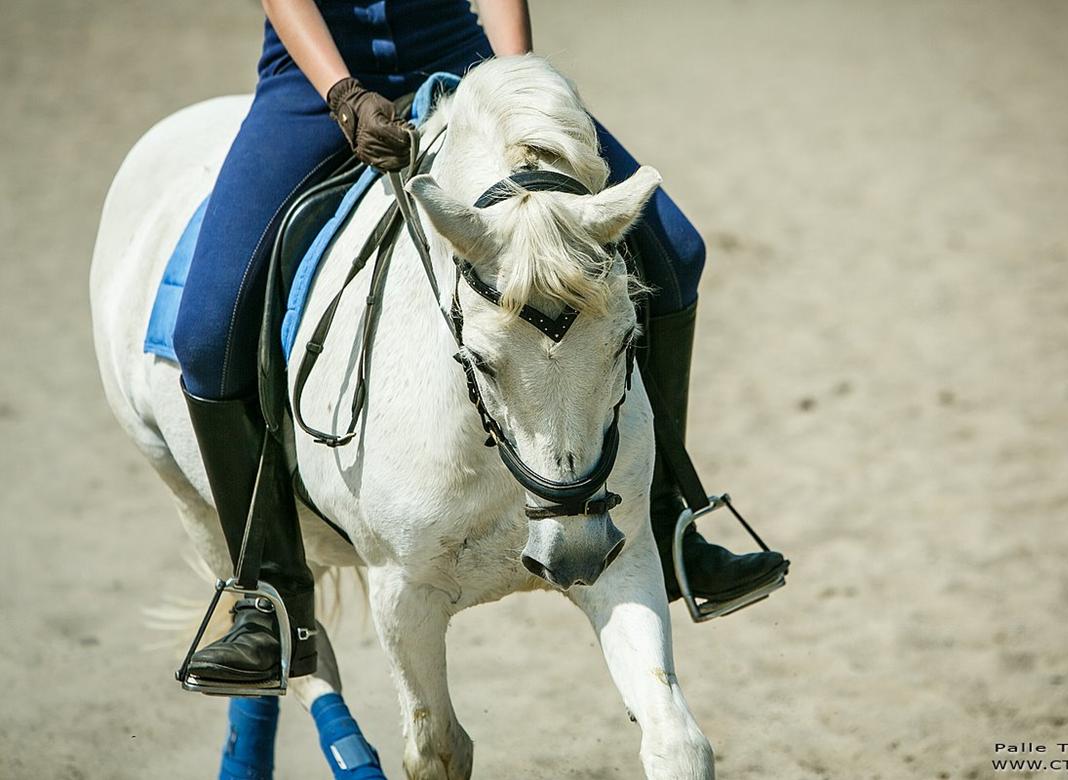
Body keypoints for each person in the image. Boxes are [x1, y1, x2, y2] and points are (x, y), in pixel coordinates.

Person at [172, 0, 786, 690]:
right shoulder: (322, 88)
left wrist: (512, 78)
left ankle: (673, 521)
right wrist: (343, 95)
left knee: (673, 250)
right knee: (205, 331)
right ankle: (273, 600)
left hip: (466, 61)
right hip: (312, 87)